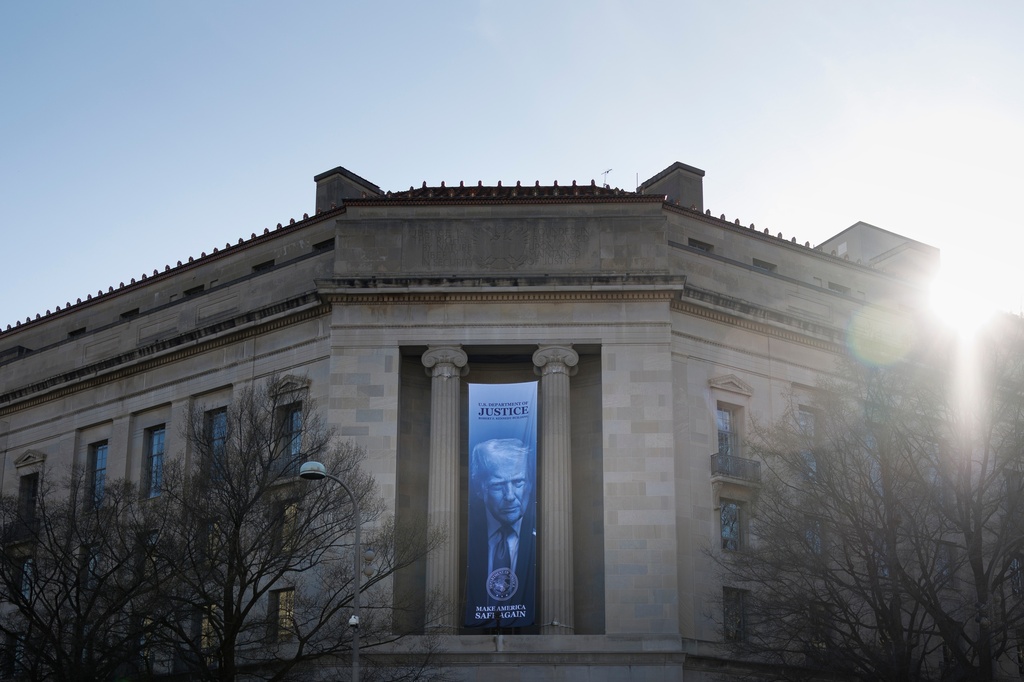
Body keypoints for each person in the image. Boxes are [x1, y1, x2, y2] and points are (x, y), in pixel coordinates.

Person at [464, 437, 536, 628]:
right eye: (497, 485)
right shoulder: (465, 539)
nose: (510, 496)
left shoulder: (542, 539)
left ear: (529, 484)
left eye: (519, 482)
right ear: (480, 489)